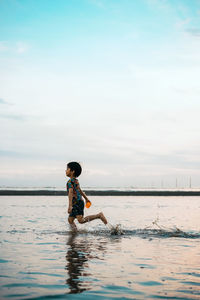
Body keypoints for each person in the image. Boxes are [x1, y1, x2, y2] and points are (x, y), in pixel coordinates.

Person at [66, 161, 108, 231]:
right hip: (78, 202)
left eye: (67, 169)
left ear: (72, 171)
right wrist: (86, 199)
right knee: (70, 220)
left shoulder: (70, 182)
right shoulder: (76, 181)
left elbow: (70, 193)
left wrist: (70, 206)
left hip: (77, 203)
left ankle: (99, 215)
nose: (66, 170)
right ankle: (75, 232)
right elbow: (79, 190)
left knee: (81, 220)